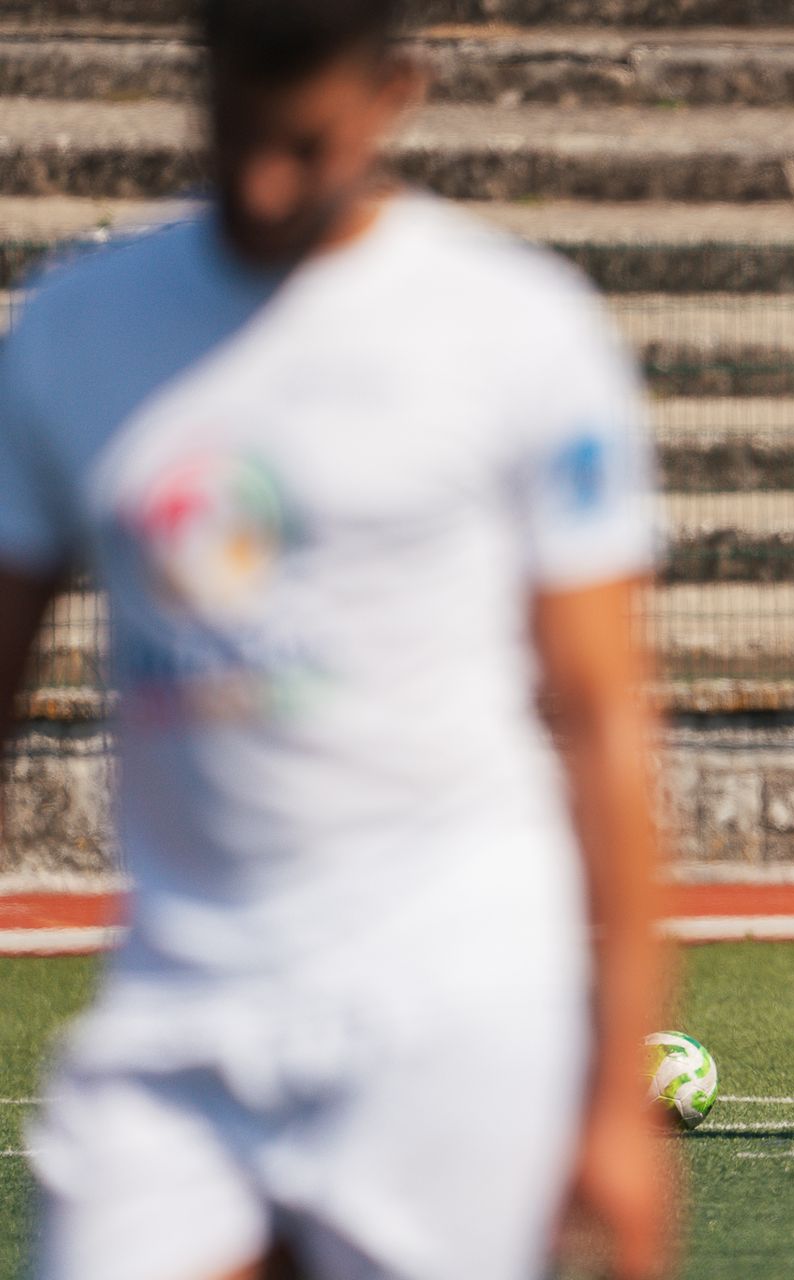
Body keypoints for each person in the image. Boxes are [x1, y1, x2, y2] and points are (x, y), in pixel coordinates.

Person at [0, 2, 673, 1276]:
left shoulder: (516, 329)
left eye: (303, 145)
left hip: (454, 1001)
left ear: (393, 95)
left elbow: (601, 717)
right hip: (181, 1005)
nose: (261, 183)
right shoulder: (77, 328)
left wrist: (615, 1099)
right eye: (234, 132)